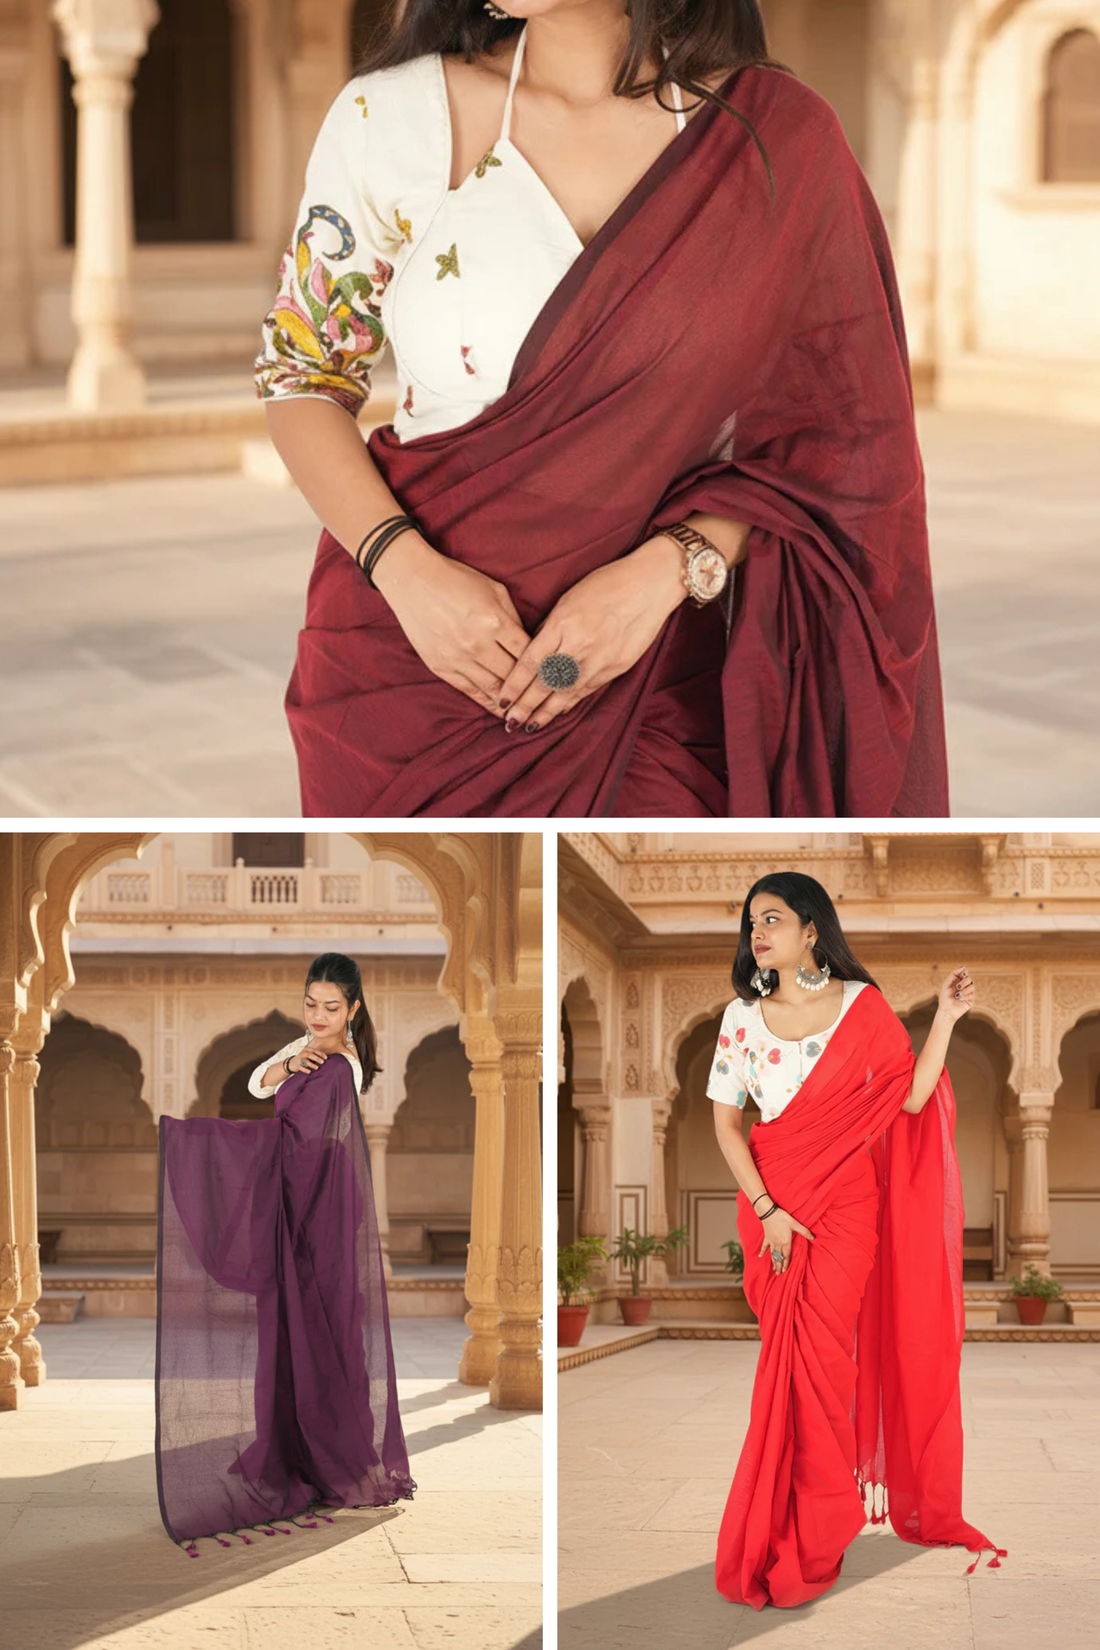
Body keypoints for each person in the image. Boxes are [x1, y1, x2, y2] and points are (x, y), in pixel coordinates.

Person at [254, 1, 949, 818]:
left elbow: (841, 446)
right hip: (407, 673)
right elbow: (301, 373)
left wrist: (668, 572)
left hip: (657, 679)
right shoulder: (390, 116)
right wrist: (405, 573)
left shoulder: (775, 142)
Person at [707, 873, 1004, 1608]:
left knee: (825, 1367)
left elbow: (907, 1098)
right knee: (782, 1368)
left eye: (772, 919)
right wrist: (769, 1208)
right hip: (772, 1206)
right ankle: (780, 1527)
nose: (758, 934)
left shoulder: (861, 1008)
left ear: (812, 929)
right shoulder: (740, 1019)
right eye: (751, 925)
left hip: (845, 1209)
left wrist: (945, 1018)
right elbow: (726, 1126)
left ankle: (821, 1527)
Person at [155, 953, 415, 1554]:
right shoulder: (306, 1047)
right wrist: (289, 1059)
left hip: (320, 1196)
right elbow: (257, 1083)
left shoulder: (344, 1065)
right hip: (292, 1193)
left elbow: (297, 1135)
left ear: (353, 1009)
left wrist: (207, 1138)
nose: (319, 1017)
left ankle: (335, 1458)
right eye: (310, 1004)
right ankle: (290, 1446)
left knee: (323, 1326)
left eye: (331, 1008)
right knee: (283, 1325)